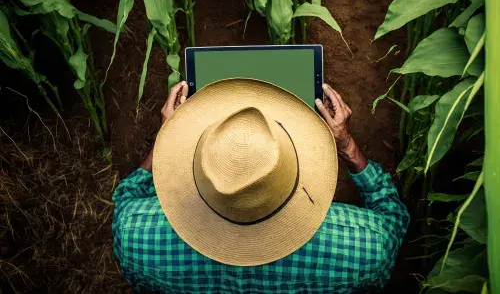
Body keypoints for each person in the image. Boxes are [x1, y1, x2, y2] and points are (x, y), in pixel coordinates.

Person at [113, 79, 409, 293]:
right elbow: (393, 220)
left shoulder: (133, 237)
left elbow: (126, 196)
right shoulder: (367, 246)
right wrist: (347, 147)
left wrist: (167, 137)